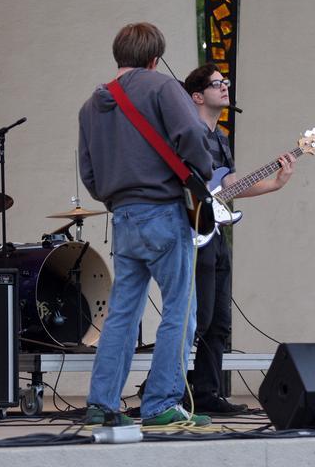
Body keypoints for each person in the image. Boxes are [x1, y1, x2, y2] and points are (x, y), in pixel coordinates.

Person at [78, 23, 214, 427]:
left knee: (122, 313)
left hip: (123, 217)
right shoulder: (162, 87)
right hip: (164, 213)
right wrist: (202, 173)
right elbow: (192, 133)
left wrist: (116, 198)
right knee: (180, 311)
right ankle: (160, 404)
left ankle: (102, 403)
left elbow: (88, 173)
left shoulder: (89, 107)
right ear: (155, 58)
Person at [183, 63, 296, 414]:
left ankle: (207, 394)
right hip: (192, 232)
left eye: (226, 82)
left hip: (216, 233)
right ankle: (173, 390)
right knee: (197, 319)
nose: (225, 87)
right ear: (197, 96)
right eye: (217, 83)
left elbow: (229, 185)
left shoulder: (220, 137)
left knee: (220, 321)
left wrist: (275, 183)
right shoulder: (186, 133)